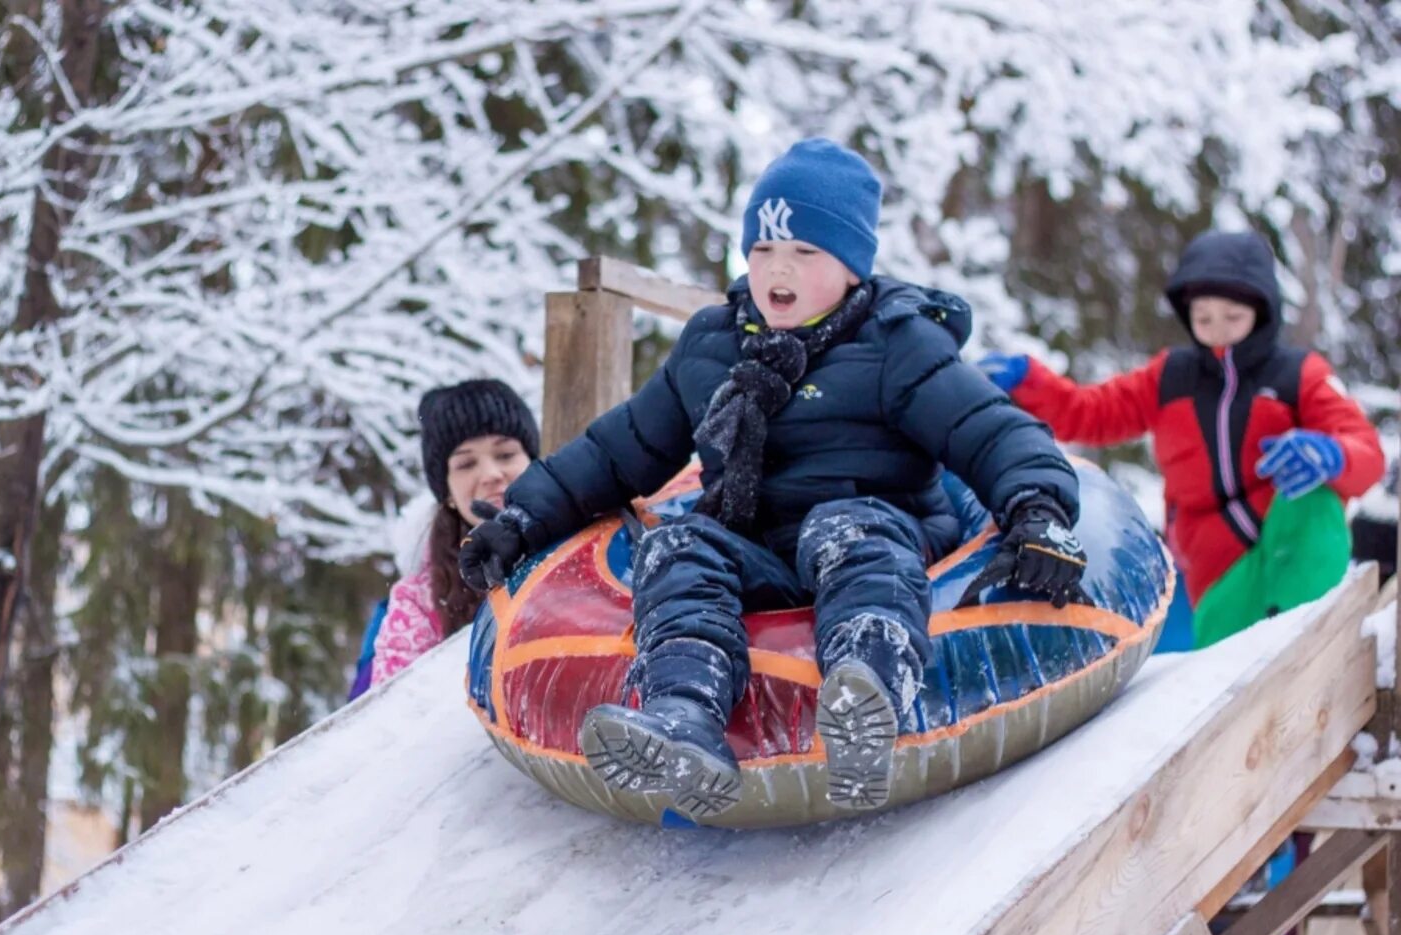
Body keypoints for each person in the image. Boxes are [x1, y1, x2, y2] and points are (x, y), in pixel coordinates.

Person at [459, 138, 1085, 821]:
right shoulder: (714, 346)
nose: (777, 270)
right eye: (762, 251)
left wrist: (1037, 509)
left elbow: (991, 431)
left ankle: (867, 694)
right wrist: (523, 518)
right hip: (756, 545)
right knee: (677, 545)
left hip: (874, 530)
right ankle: (685, 712)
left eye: (804, 254)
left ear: (851, 268)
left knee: (843, 528)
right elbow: (620, 450)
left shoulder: (896, 344)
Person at [979, 230, 1385, 648]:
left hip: (1293, 552)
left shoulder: (1299, 375)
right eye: (1204, 318)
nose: (1218, 331)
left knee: (1313, 496)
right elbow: (1092, 412)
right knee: (1227, 665)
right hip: (1218, 572)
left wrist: (1333, 455)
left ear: (1262, 312)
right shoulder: (1171, 377)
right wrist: (1030, 382)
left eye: (1232, 317)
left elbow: (1366, 449)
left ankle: (1319, 637)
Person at [351, 379, 539, 698]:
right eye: (466, 463)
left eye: (506, 454)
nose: (491, 473)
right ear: (447, 493)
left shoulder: (590, 548)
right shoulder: (419, 602)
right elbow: (394, 720)